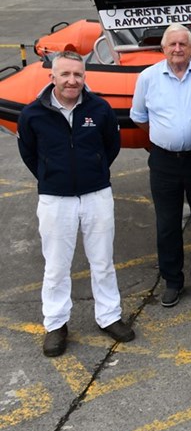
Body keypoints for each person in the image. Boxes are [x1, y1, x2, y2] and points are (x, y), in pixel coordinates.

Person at [17, 51, 134, 357]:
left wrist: (94, 170)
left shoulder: (100, 108)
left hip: (96, 195)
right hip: (55, 199)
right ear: (52, 77)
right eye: (65, 74)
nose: (72, 81)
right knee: (56, 266)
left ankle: (109, 316)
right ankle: (56, 324)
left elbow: (111, 145)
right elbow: (29, 153)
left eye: (78, 75)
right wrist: (51, 176)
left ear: (85, 77)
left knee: (103, 262)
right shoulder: (32, 115)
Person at [130, 24, 191, 308]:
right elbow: (139, 117)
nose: (177, 49)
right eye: (172, 44)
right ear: (163, 48)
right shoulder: (148, 78)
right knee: (167, 224)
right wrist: (166, 137)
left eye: (183, 44)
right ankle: (172, 281)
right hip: (164, 161)